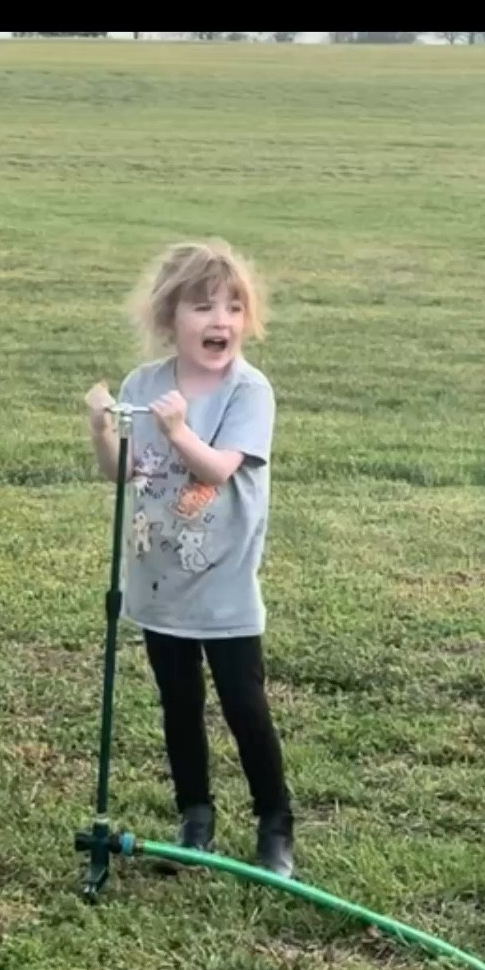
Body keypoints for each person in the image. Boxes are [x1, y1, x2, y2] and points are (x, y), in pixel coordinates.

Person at [85, 239, 294, 876]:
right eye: (203, 307)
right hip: (156, 579)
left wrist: (179, 430)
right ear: (170, 317)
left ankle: (275, 821)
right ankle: (195, 817)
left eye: (233, 307)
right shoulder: (142, 386)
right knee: (179, 703)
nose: (221, 321)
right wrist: (100, 430)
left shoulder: (248, 392)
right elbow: (121, 473)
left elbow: (220, 467)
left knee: (243, 703)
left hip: (224, 582)